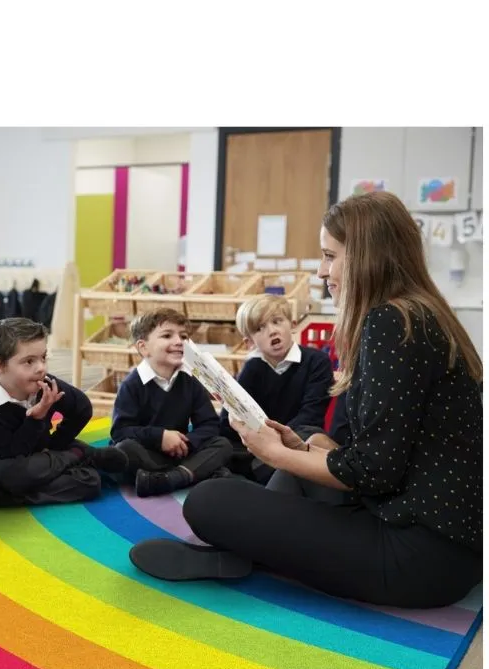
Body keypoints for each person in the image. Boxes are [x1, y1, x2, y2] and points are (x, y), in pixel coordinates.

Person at [130, 191, 483, 609]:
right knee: (304, 457)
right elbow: (393, 454)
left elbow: (374, 472)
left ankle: (240, 553)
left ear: (367, 256)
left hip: (419, 557)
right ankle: (244, 550)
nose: (322, 271)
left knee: (210, 501)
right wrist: (302, 450)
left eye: (330, 256)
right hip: (441, 541)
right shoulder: (420, 313)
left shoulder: (390, 322)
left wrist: (276, 454)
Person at [0, 317, 128, 506]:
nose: (41, 368)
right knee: (14, 474)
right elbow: (11, 453)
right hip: (0, 460)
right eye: (29, 361)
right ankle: (79, 455)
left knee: (90, 482)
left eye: (43, 357)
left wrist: (56, 444)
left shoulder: (45, 384)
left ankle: (2, 495)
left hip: (39, 453)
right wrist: (37, 419)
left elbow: (82, 407)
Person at [110, 308, 232, 497]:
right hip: (147, 452)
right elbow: (121, 431)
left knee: (222, 444)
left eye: (183, 336)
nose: (178, 342)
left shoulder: (190, 380)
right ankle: (193, 473)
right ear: (143, 347)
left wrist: (186, 443)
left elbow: (209, 424)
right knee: (123, 450)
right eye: (167, 335)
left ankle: (168, 478)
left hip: (181, 452)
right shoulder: (131, 385)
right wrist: (160, 437)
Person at [219, 294, 334, 483]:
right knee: (218, 444)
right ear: (249, 343)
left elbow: (312, 414)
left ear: (293, 324)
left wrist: (273, 443)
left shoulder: (316, 361)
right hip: (258, 446)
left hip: (298, 442)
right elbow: (227, 422)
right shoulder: (252, 368)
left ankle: (254, 474)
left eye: (277, 321)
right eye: (260, 328)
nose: (272, 331)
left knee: (309, 434)